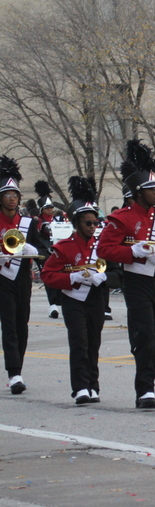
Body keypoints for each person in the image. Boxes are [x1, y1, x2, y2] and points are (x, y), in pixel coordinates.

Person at [97, 139, 155, 409]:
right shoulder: (121, 218)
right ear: (137, 192)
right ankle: (144, 389)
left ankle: (149, 380)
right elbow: (104, 248)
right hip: (135, 281)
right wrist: (133, 251)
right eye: (151, 189)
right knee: (144, 335)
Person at [41, 176, 106, 404]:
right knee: (79, 342)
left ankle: (93, 385)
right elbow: (47, 275)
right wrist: (72, 277)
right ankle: (80, 387)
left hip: (96, 299)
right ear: (77, 224)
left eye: (95, 223)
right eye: (88, 223)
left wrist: (104, 276)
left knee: (94, 342)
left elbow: (118, 272)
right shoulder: (64, 247)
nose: (92, 227)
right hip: (73, 300)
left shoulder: (102, 246)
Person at [0, 156, 47, 395]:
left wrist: (34, 250)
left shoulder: (28, 223)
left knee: (21, 324)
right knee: (8, 323)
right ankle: (14, 373)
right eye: (7, 194)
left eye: (15, 194)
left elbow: (44, 250)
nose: (11, 198)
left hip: (21, 278)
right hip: (1, 279)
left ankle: (18, 367)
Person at [34, 180, 63, 319]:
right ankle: (53, 305)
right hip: (45, 251)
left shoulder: (59, 220)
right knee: (48, 277)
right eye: (47, 208)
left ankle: (59, 301)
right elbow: (39, 235)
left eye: (51, 207)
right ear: (41, 210)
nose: (50, 210)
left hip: (59, 251)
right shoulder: (37, 222)